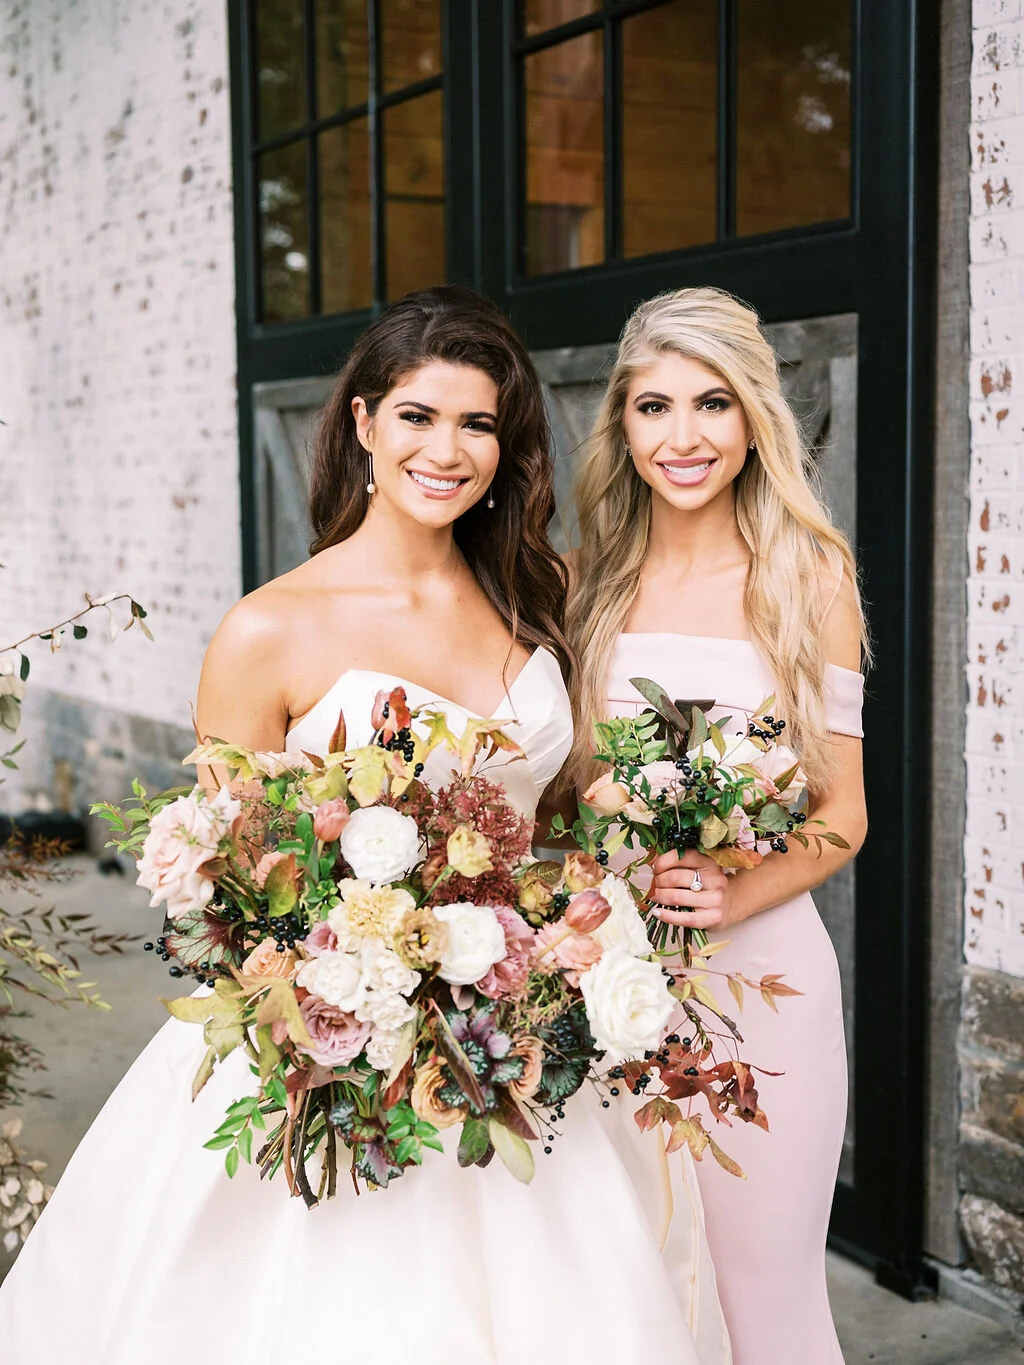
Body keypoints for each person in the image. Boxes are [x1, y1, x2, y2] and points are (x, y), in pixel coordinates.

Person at [0, 287, 729, 1365]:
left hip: (517, 1045)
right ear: (361, 423)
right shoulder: (271, 628)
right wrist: (362, 1002)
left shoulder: (543, 597)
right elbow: (226, 887)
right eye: (418, 417)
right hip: (331, 1048)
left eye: (477, 423)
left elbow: (561, 825)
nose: (449, 450)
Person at [566, 286, 868, 1365]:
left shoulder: (807, 578)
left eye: (711, 404)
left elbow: (843, 817)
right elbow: (567, 791)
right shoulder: (588, 586)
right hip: (607, 983)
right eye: (653, 407)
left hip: (762, 986)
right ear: (623, 425)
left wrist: (739, 888)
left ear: (752, 418)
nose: (682, 437)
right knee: (632, 1288)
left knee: (762, 1292)